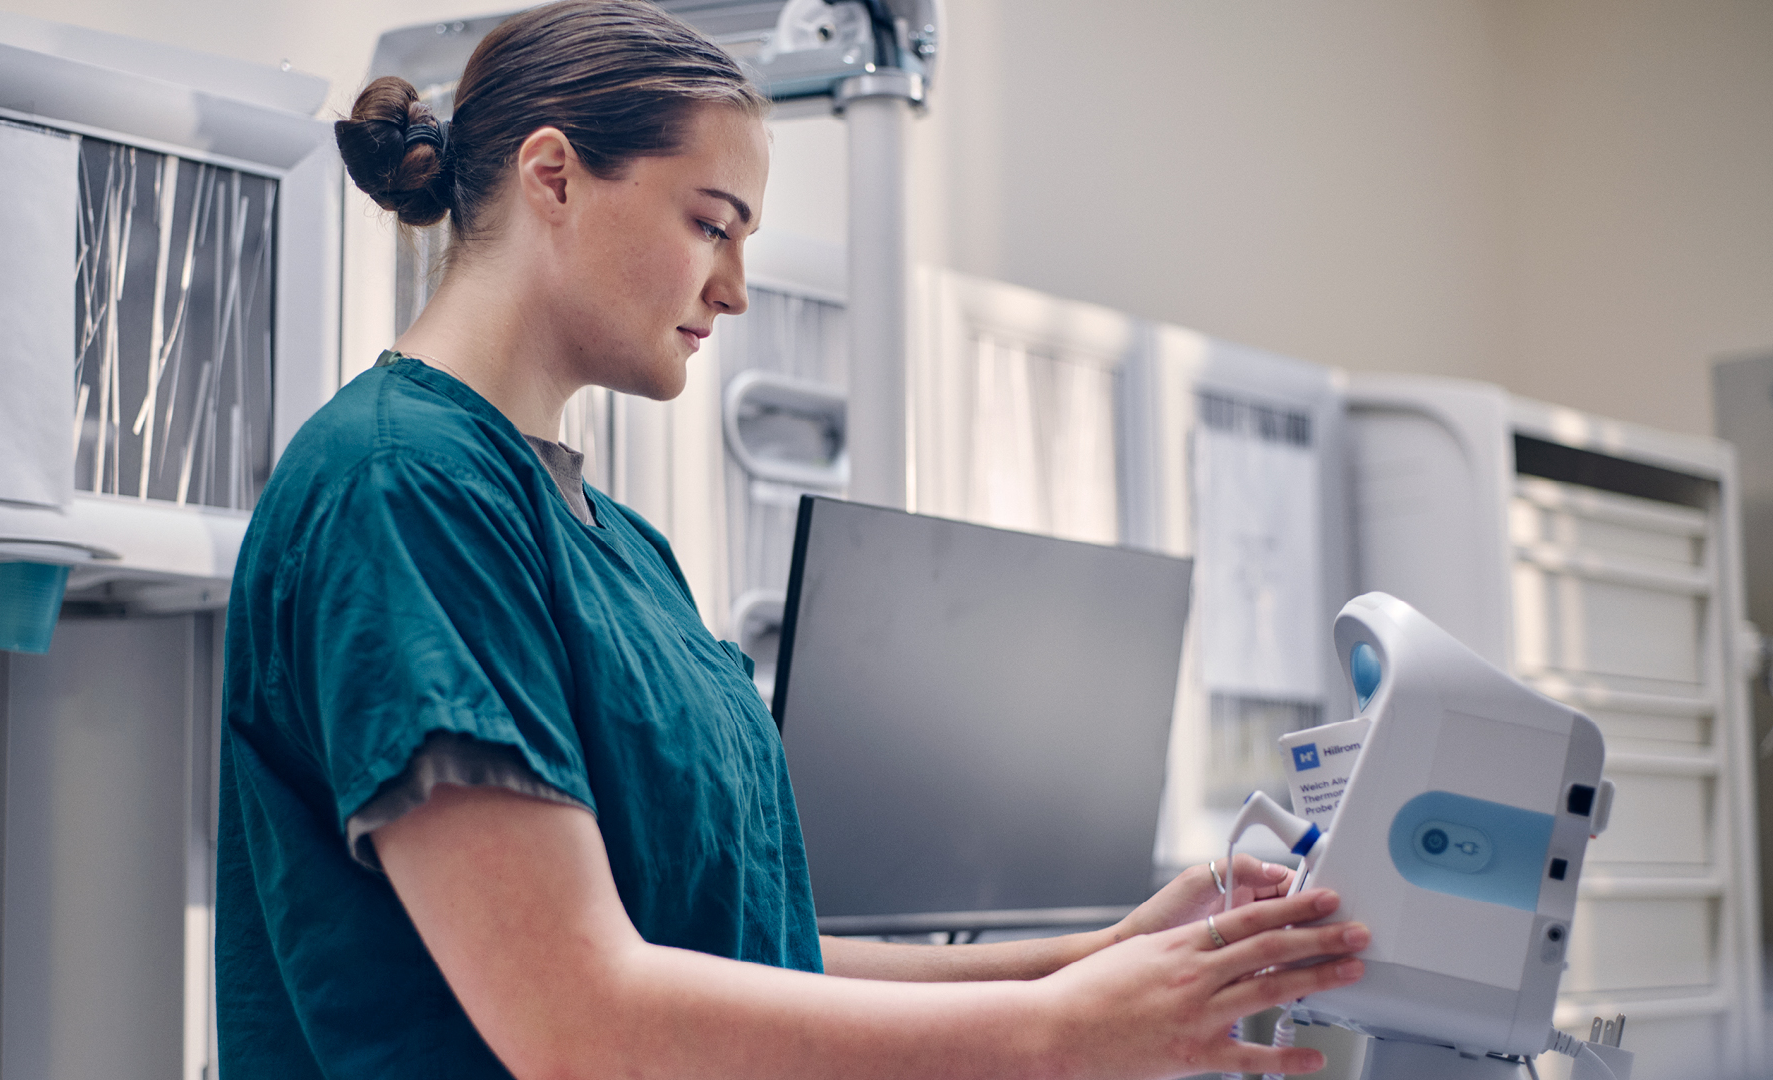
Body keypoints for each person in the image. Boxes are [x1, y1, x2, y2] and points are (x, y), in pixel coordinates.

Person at [215, 2, 1368, 1077]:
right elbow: (574, 1017)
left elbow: (749, 954)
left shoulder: (623, 550)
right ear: (553, 176)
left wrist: (1092, 961)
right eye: (711, 225)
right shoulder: (399, 487)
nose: (735, 290)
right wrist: (1056, 1033)